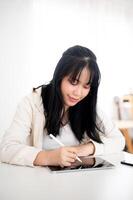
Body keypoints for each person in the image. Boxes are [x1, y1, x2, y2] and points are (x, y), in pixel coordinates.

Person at [0, 45, 125, 167]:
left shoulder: (87, 105)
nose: (78, 93)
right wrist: (49, 157)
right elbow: (6, 148)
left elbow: (118, 140)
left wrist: (85, 149)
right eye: (73, 82)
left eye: (86, 86)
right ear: (59, 76)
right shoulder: (32, 103)